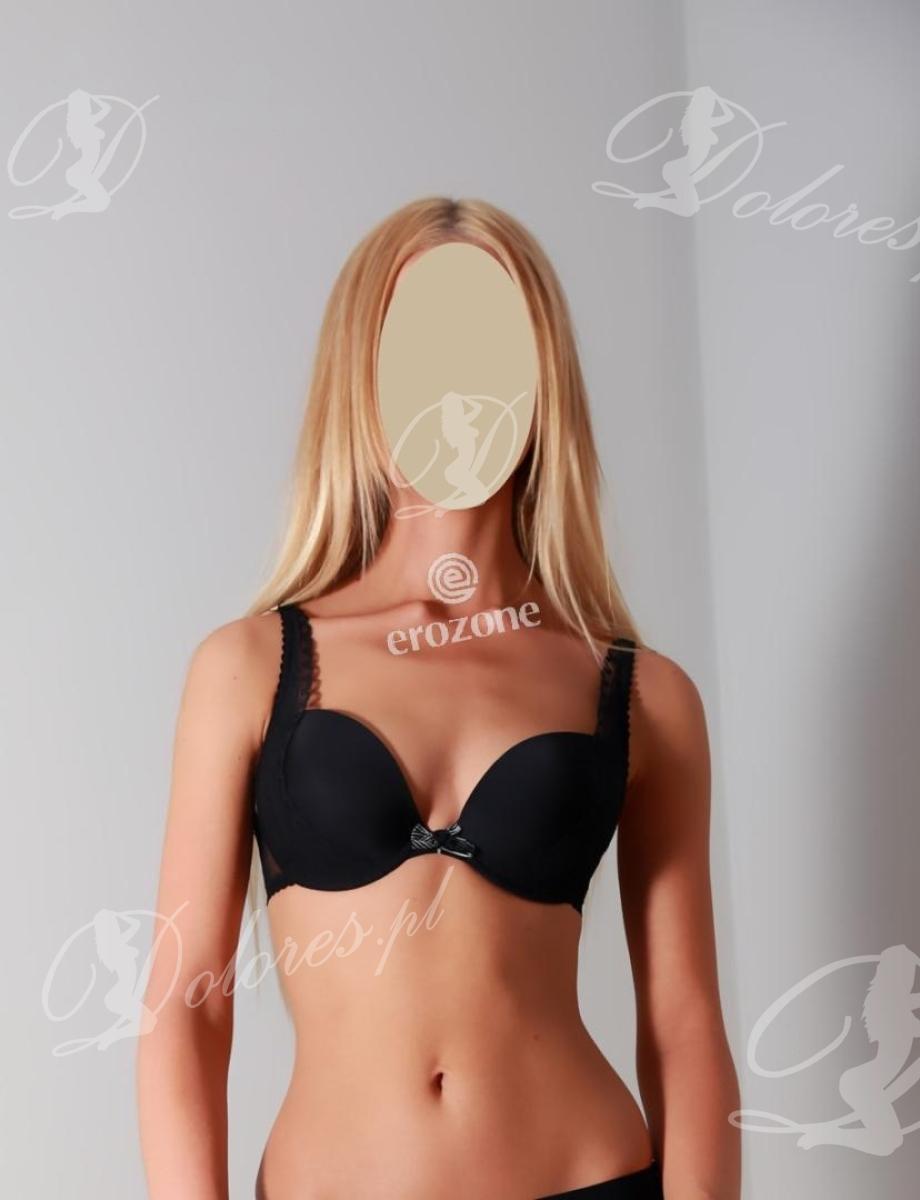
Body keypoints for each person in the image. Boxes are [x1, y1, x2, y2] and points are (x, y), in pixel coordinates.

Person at [136, 196, 741, 1199]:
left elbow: (683, 1025)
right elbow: (185, 1009)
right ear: (361, 377)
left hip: (590, 1175)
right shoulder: (249, 669)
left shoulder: (643, 695)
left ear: (541, 381)